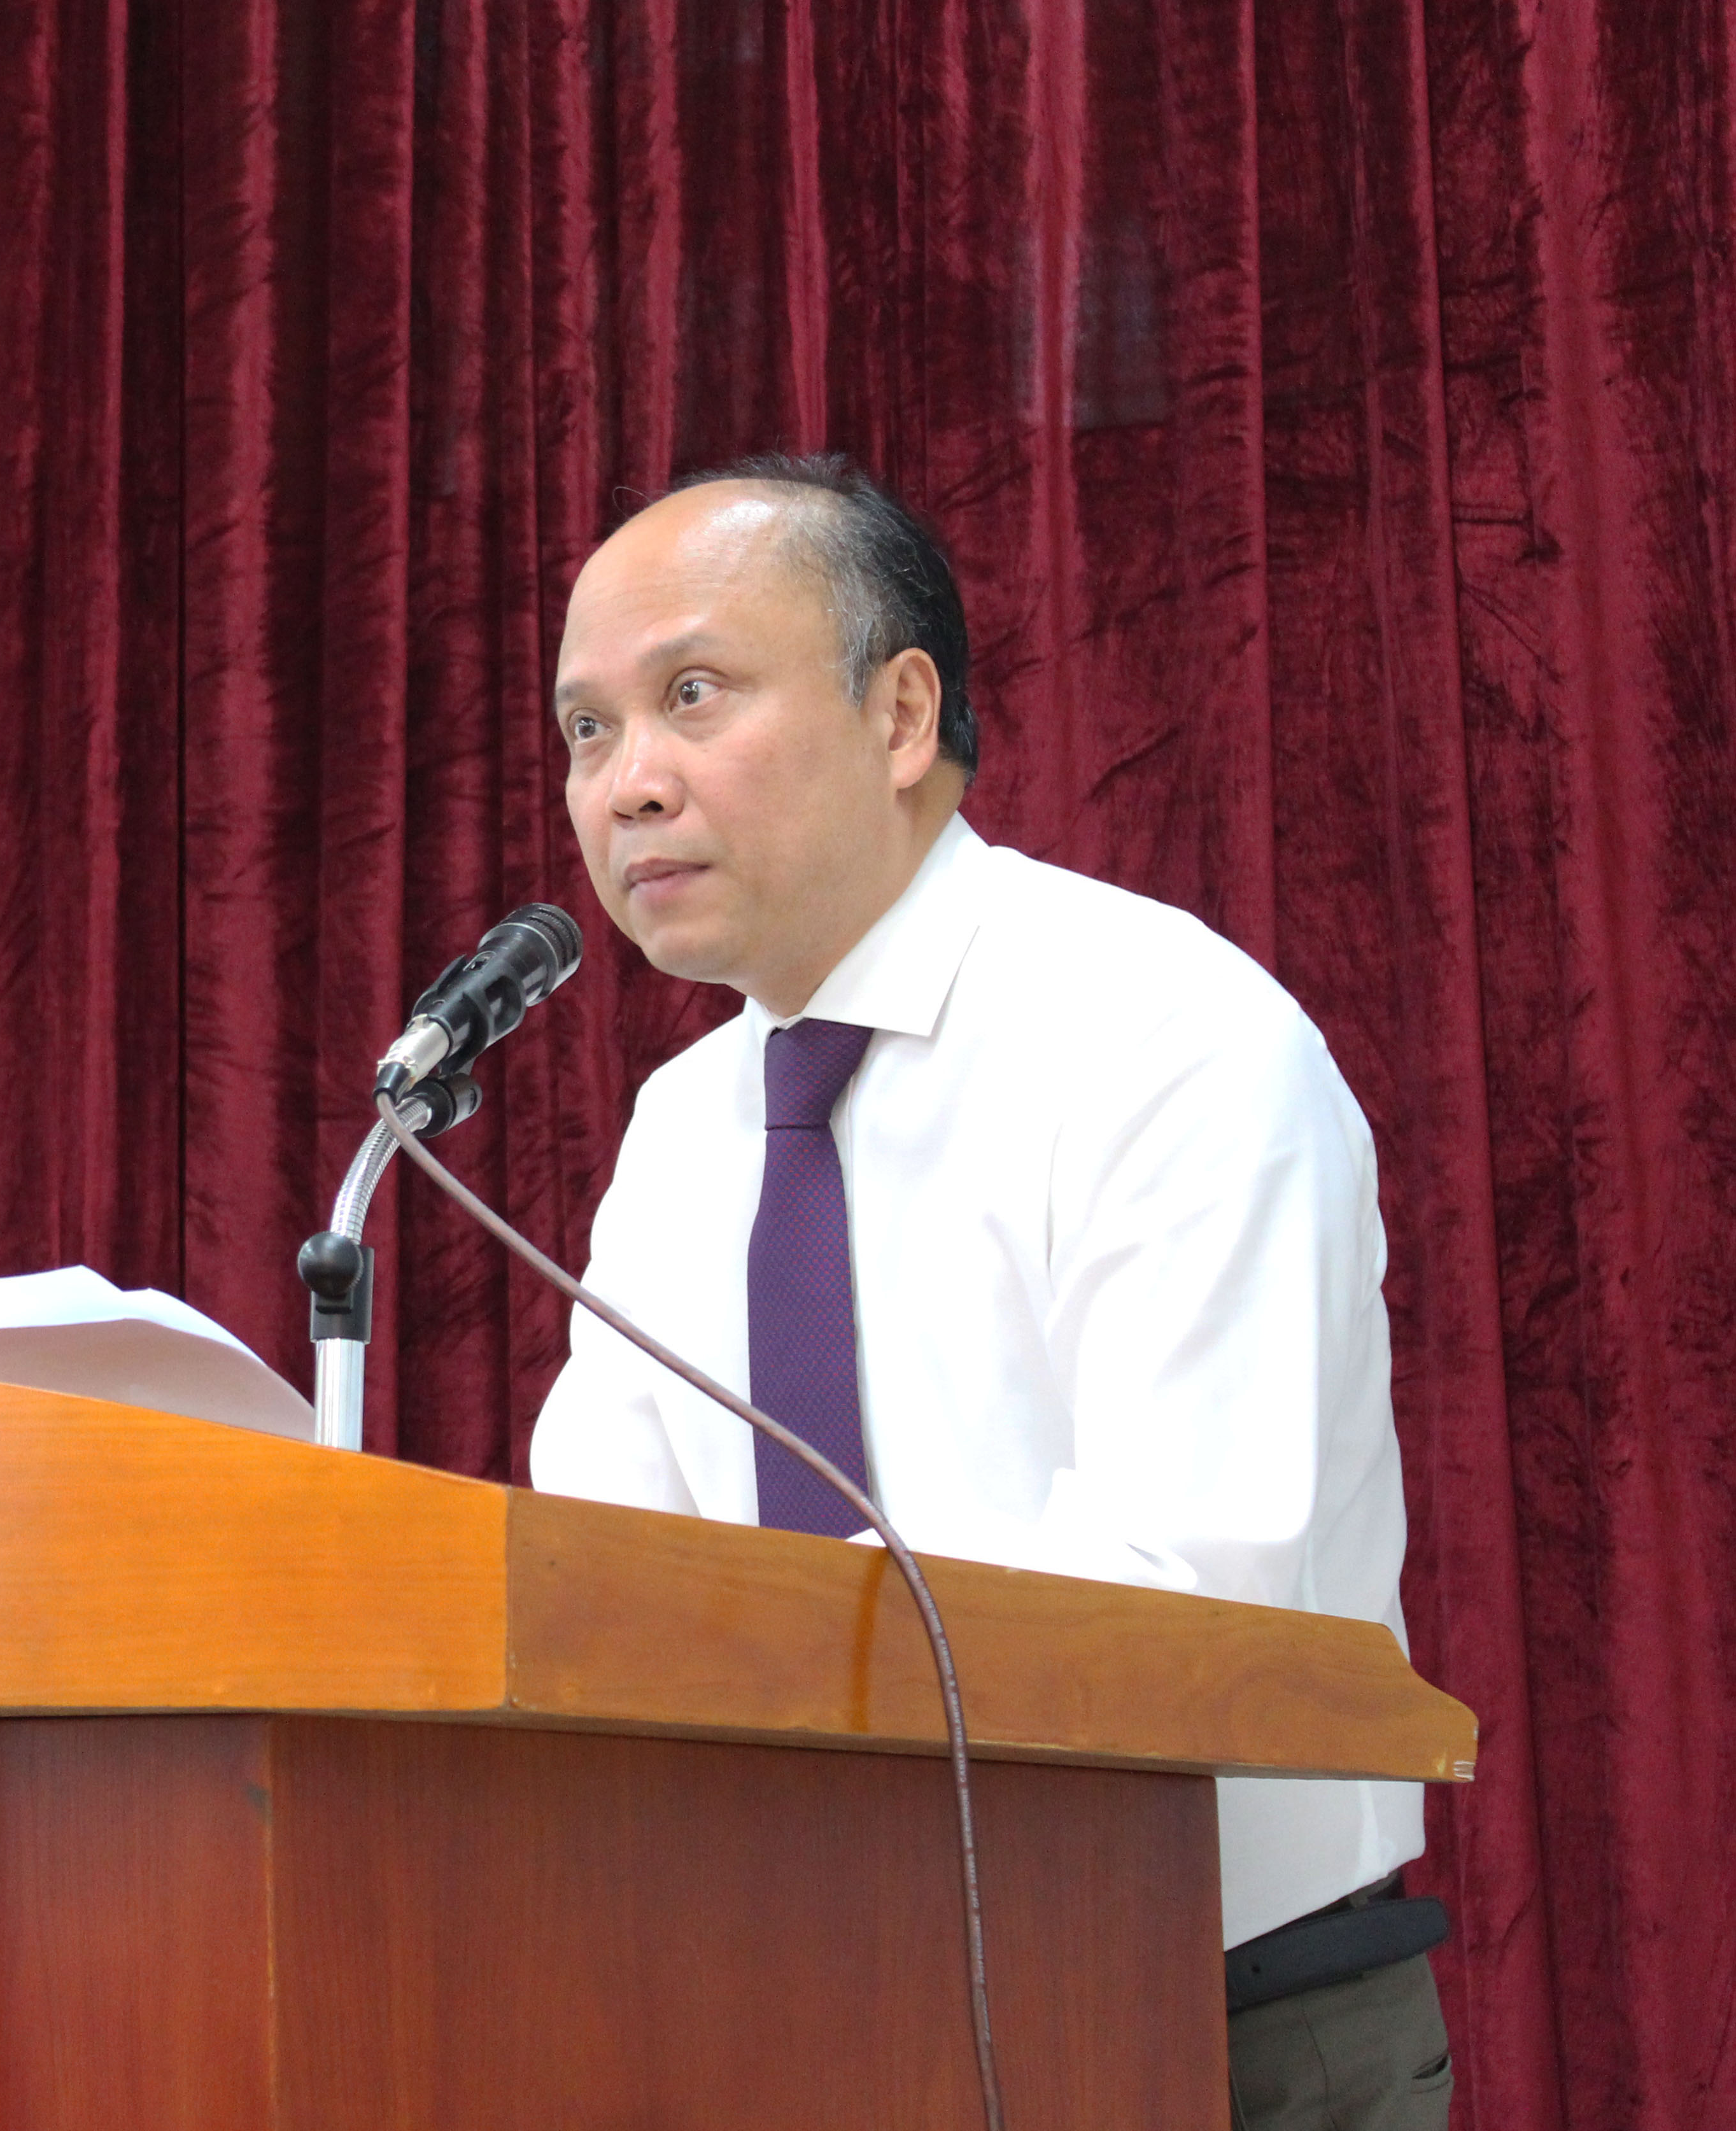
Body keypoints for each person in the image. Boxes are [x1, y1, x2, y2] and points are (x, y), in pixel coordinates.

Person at [529, 454, 1453, 2131]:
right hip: (819, 2015)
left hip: (1205, 2016)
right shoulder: (680, 1131)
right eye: (589, 731)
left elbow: (1186, 1590)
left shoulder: (1166, 1038)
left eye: (692, 696)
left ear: (900, 716)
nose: (629, 785)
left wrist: (764, 1653)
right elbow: (608, 1577)